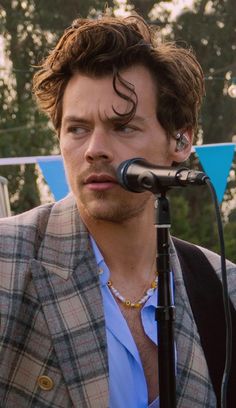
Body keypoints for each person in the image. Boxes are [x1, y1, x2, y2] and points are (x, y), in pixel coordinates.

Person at [0, 13, 235, 408]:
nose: (94, 149)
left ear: (180, 141)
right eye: (77, 128)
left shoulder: (220, 286)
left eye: (123, 126)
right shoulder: (8, 262)